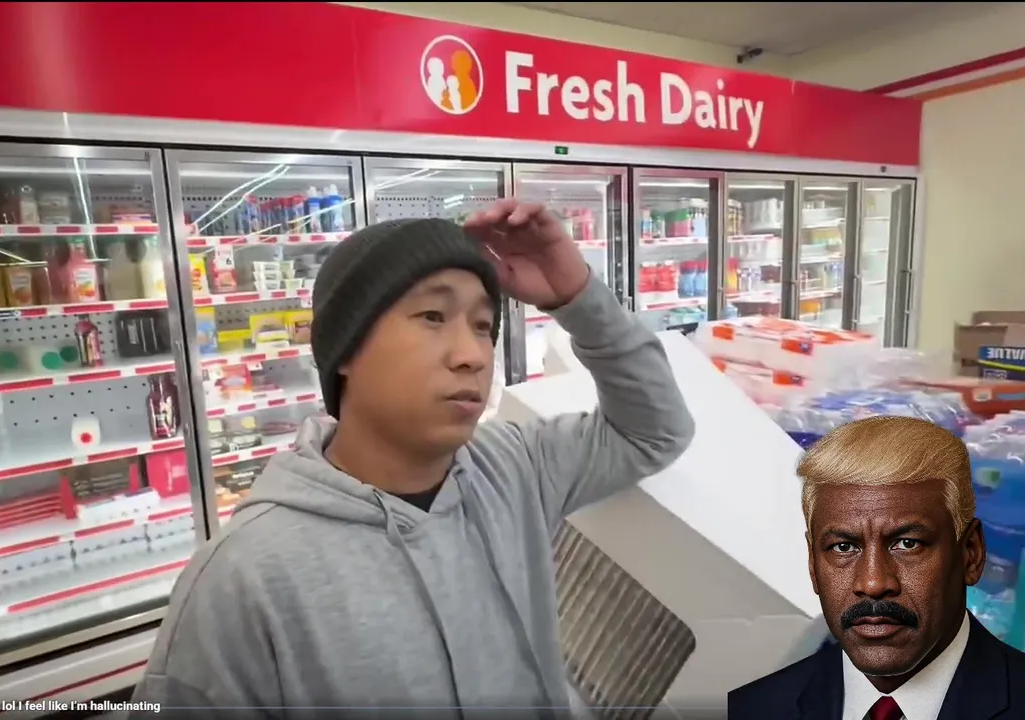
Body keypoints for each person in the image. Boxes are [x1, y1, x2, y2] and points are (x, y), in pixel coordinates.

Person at [131, 200, 695, 718]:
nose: (472, 355)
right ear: (345, 348)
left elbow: (655, 430)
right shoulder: (243, 579)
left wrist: (576, 297)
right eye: (432, 317)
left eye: (483, 326)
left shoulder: (515, 466)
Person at [728, 416, 1025, 720]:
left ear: (971, 554)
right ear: (813, 564)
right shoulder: (751, 709)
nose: (873, 583)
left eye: (907, 544)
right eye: (843, 547)